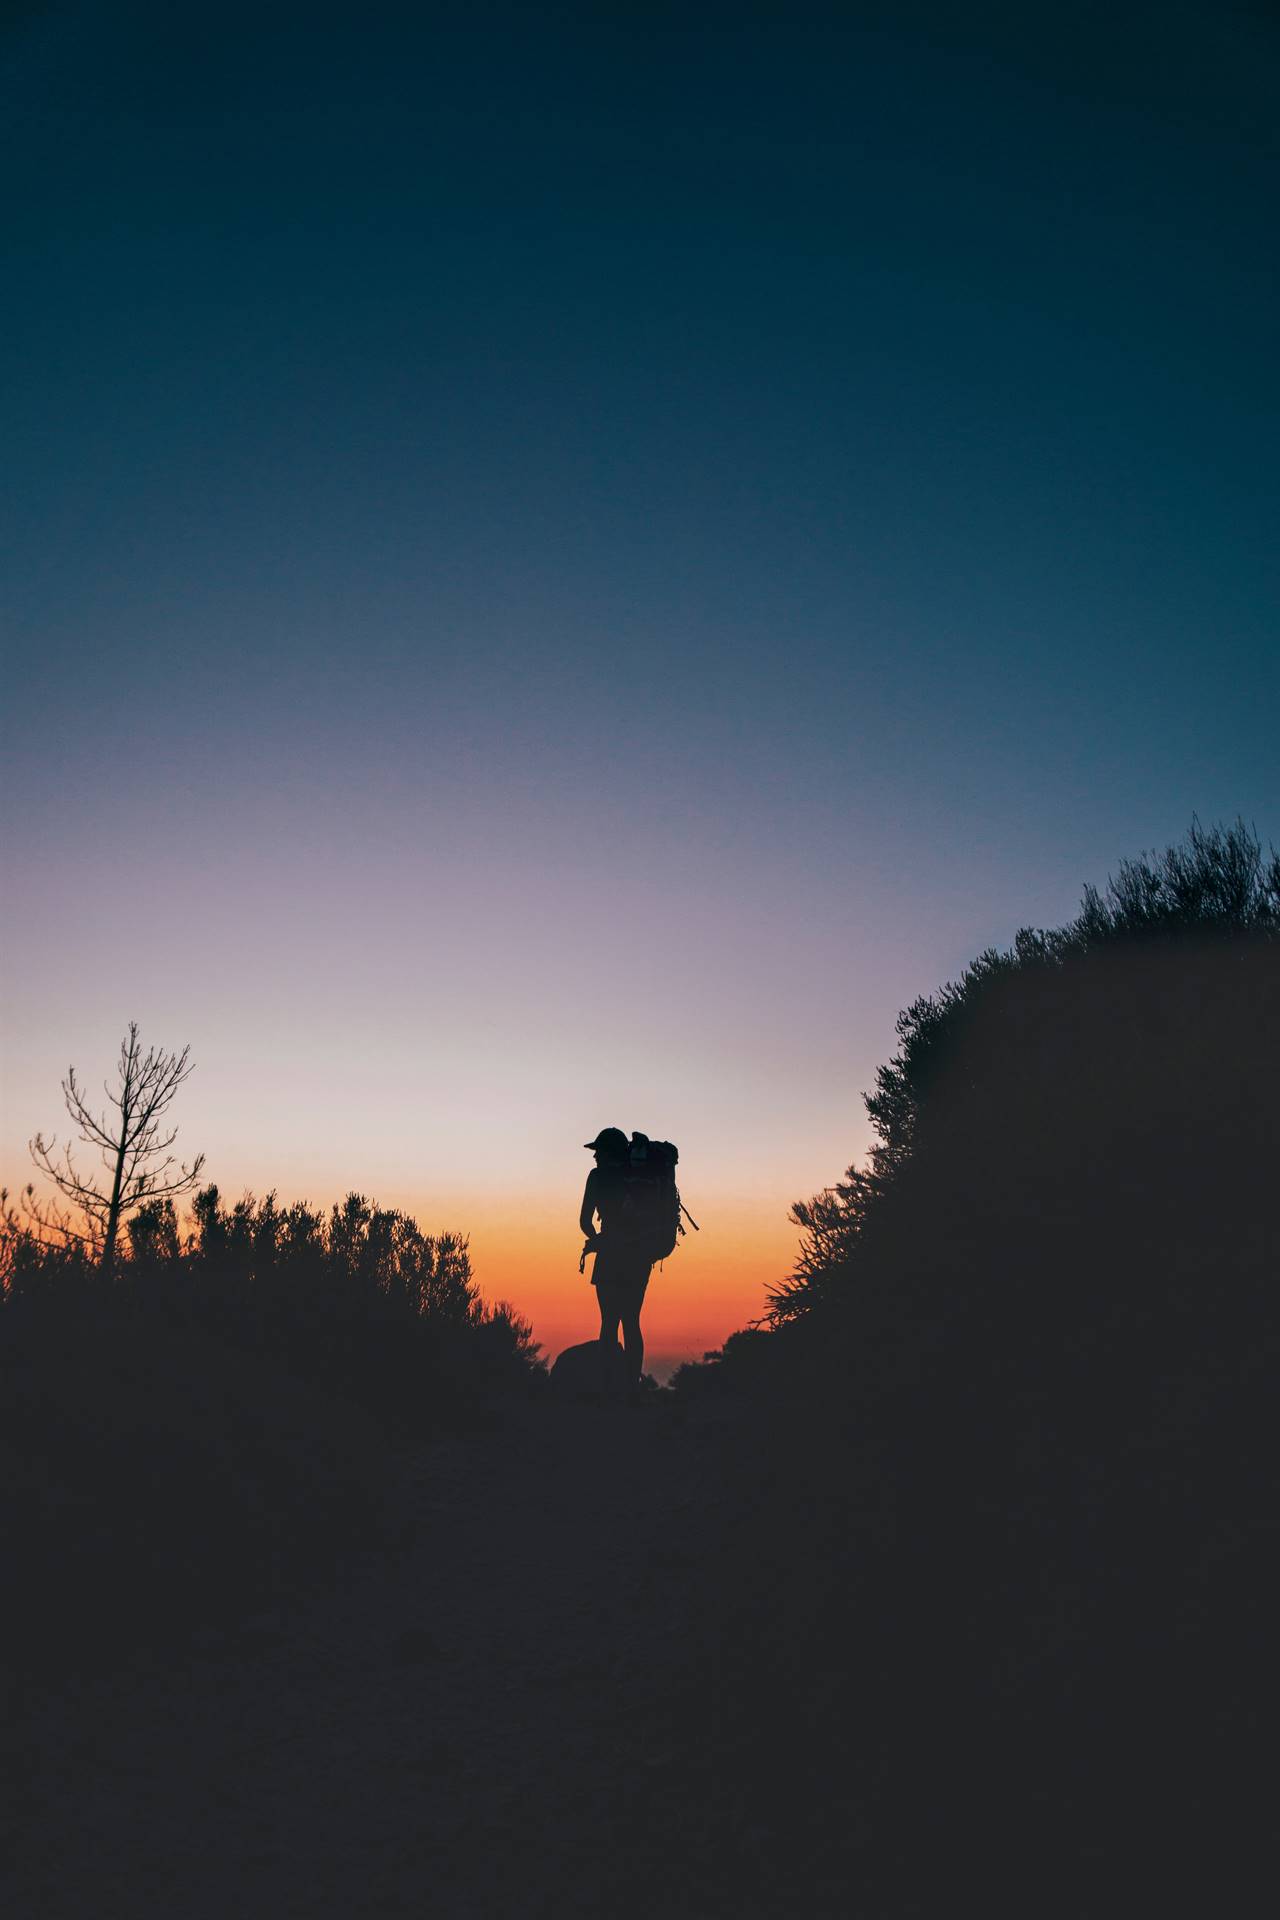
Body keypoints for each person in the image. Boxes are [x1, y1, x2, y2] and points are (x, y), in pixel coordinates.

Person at [580, 1126, 652, 1393]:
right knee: (632, 1323)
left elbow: (585, 1220)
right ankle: (632, 1391)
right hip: (638, 1257)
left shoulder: (597, 1177)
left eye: (598, 1151)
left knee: (609, 1323)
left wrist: (598, 1239)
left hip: (609, 1255)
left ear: (608, 1153)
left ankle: (607, 1390)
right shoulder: (636, 1177)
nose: (595, 1156)